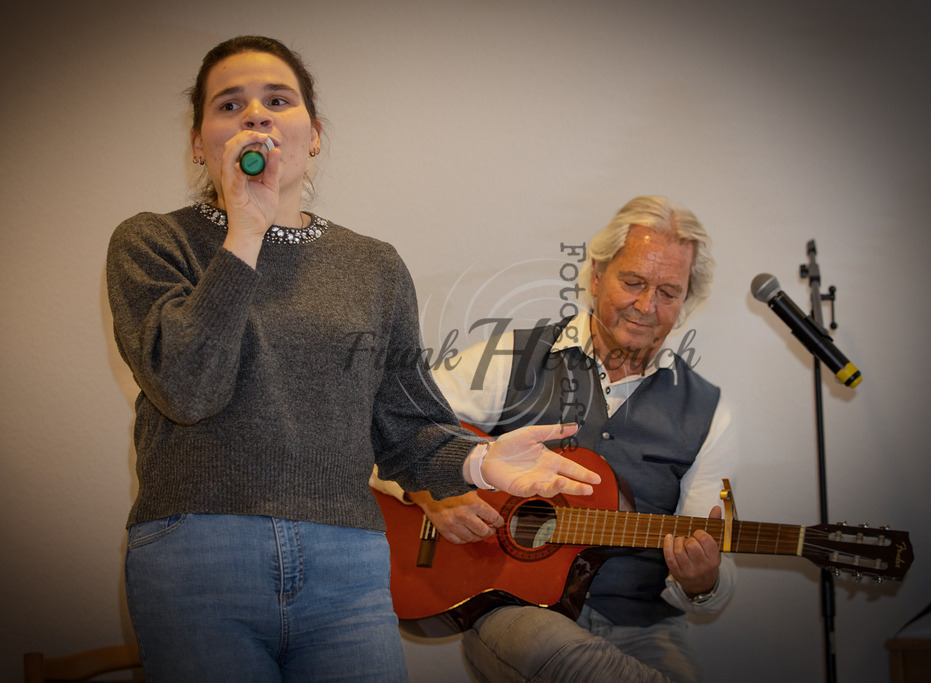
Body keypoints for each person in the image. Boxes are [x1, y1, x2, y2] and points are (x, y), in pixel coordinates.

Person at [105, 35, 598, 683]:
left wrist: (481, 460)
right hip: (201, 554)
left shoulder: (373, 265)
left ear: (313, 134)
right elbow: (186, 387)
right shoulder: (153, 241)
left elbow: (407, 429)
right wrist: (245, 231)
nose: (255, 114)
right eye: (230, 104)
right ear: (200, 142)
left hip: (348, 568)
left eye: (277, 100)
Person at [381, 196, 736, 682]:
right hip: (514, 614)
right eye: (632, 282)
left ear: (686, 302)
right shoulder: (513, 356)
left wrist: (703, 581)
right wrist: (433, 494)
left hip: (643, 627)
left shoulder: (709, 412)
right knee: (573, 662)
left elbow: (710, 560)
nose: (646, 306)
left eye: (668, 292)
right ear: (595, 275)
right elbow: (387, 429)